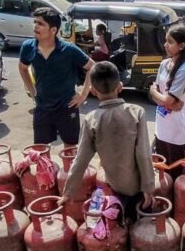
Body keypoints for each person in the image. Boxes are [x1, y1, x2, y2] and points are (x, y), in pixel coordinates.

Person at [60, 61, 155, 223]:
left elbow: (81, 159)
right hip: (138, 187)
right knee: (141, 228)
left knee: (119, 227)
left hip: (115, 188)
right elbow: (144, 154)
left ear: (93, 91)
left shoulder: (91, 119)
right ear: (119, 86)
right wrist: (148, 188)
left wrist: (68, 193)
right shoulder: (136, 113)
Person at [19, 7, 94, 148]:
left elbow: (92, 67)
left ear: (53, 30)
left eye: (40, 24)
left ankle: (68, 171)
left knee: (70, 148)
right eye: (35, 22)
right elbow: (23, 68)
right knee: (40, 149)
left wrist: (84, 94)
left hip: (67, 107)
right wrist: (32, 92)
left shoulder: (69, 49)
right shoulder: (28, 47)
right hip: (42, 106)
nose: (35, 26)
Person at [149, 25, 185, 180]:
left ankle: (174, 203)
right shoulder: (164, 64)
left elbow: (165, 98)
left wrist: (158, 96)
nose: (165, 45)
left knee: (174, 173)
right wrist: (158, 96)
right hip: (161, 125)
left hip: (176, 130)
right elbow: (159, 93)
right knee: (161, 169)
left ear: (181, 46)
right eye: (165, 41)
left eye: (170, 42)